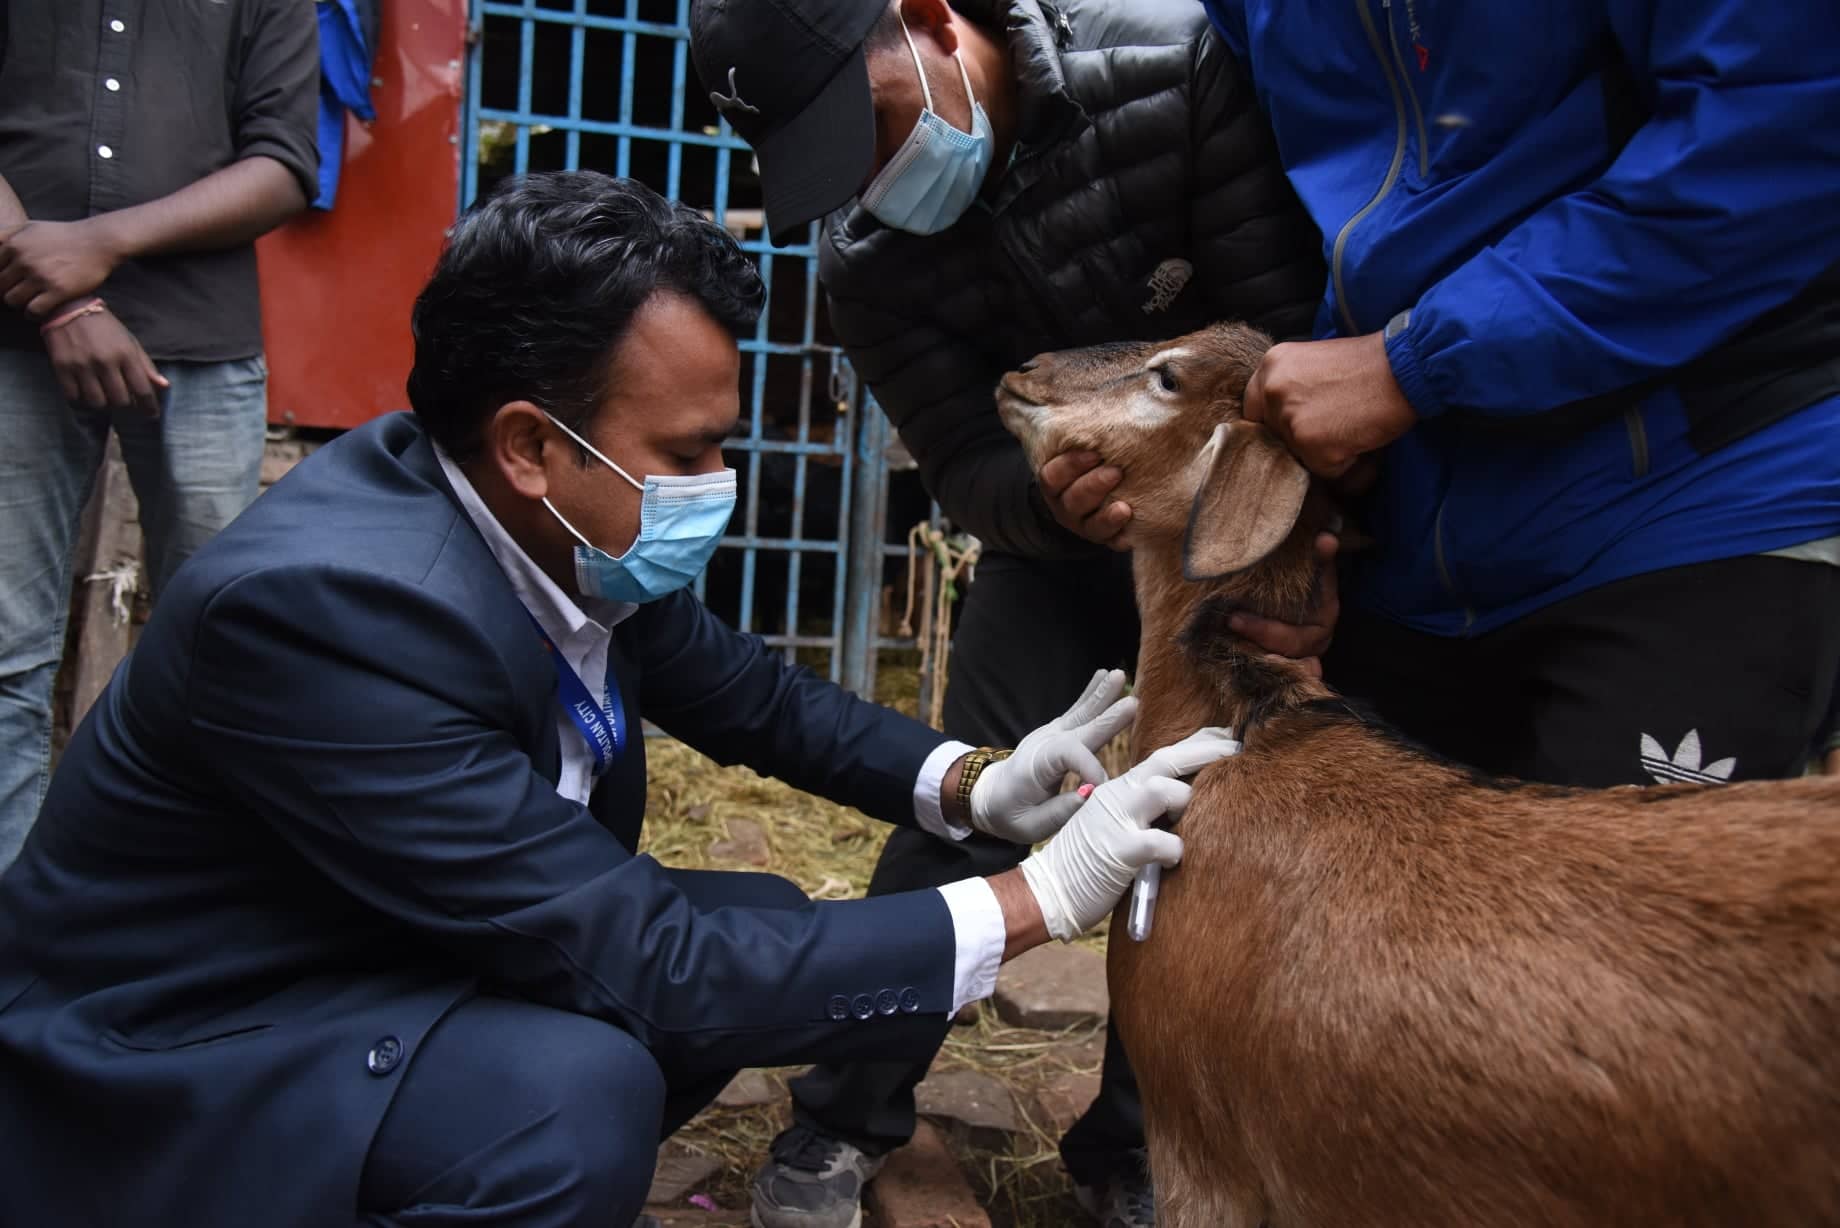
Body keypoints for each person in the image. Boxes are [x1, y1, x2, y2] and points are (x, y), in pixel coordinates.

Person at [0, 171, 1238, 1228]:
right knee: (572, 1092)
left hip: (361, 946)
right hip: (176, 1047)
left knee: (739, 926)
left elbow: (753, 697)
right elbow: (649, 954)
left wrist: (973, 782)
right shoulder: (328, 614)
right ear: (533, 443)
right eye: (689, 452)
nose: (722, 481)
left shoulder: (535, 527)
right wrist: (1043, 894)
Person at [688, 1, 1323, 1222]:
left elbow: (1287, 329)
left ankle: (1137, 1147)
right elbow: (960, 463)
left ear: (930, 18)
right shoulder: (865, 257)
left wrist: (1277, 532)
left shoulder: (1173, 69)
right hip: (1058, 553)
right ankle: (841, 1115)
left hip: (1236, 528)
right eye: (832, 163)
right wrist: (1050, 504)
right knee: (968, 793)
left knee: (1206, 829)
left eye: (867, 125)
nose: (871, 179)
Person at [1181, 1, 1840, 790]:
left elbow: (1769, 143)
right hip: (1412, 540)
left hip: (1693, 495)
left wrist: (1412, 363)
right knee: (1371, 907)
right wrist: (1312, 507)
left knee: (1602, 910)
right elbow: (1291, 223)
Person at [0, 0, 320, 869]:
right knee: (2, 654)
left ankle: (183, 910)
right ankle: (19, 939)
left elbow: (287, 165)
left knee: (223, 649)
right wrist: (62, 297)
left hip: (202, 345)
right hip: (15, 336)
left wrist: (100, 244)